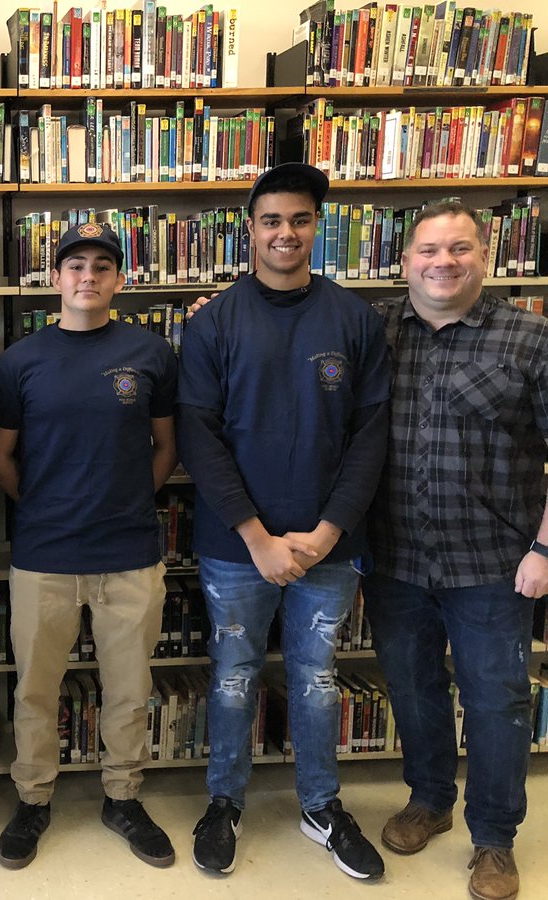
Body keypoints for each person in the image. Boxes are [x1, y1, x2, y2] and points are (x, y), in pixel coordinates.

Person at [176, 162, 390, 880]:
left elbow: (370, 437)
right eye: (271, 220)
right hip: (237, 548)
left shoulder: (356, 320)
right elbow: (198, 436)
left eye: (300, 219)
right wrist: (257, 537)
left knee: (318, 678)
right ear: (250, 229)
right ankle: (223, 803)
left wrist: (328, 532)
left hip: (330, 546)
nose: (285, 233)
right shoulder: (213, 322)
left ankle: (321, 807)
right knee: (234, 673)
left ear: (317, 226)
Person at [364, 200, 548, 900]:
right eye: (429, 250)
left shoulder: (531, 338)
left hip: (495, 562)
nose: (444, 261)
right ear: (405, 261)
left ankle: (494, 838)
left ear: (485, 256)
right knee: (412, 687)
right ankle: (430, 799)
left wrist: (544, 550)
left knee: (497, 700)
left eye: (460, 248)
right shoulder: (374, 330)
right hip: (395, 558)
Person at [0, 222, 179, 869]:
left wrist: (129, 500)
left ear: (120, 279)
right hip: (44, 556)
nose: (88, 276)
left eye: (101, 265)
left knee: (129, 689)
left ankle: (122, 796)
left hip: (130, 554)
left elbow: (167, 445)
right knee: (36, 690)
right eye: (75, 265)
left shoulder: (151, 353)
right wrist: (40, 505)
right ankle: (33, 798)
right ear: (55, 278)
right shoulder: (20, 361)